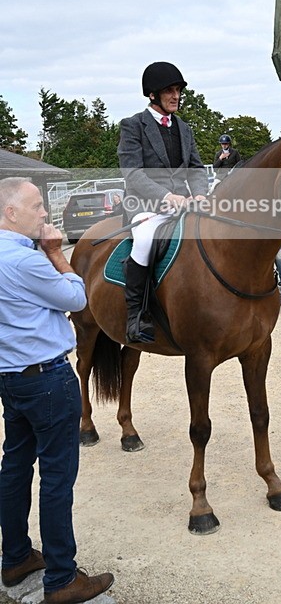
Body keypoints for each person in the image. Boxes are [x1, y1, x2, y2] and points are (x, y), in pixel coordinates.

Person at [0, 177, 114, 604]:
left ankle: (14, 556)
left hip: (11, 377)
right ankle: (63, 578)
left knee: (14, 466)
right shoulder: (28, 260)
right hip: (47, 378)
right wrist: (55, 253)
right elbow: (77, 297)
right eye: (37, 207)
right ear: (12, 213)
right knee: (57, 477)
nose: (45, 213)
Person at [118, 61, 208, 343]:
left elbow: (195, 168)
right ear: (152, 95)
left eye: (178, 90)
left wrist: (201, 193)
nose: (176, 96)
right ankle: (136, 316)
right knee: (145, 240)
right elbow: (132, 174)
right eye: (169, 90)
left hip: (182, 204)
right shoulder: (133, 126)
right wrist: (166, 196)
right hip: (145, 206)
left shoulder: (183, 127)